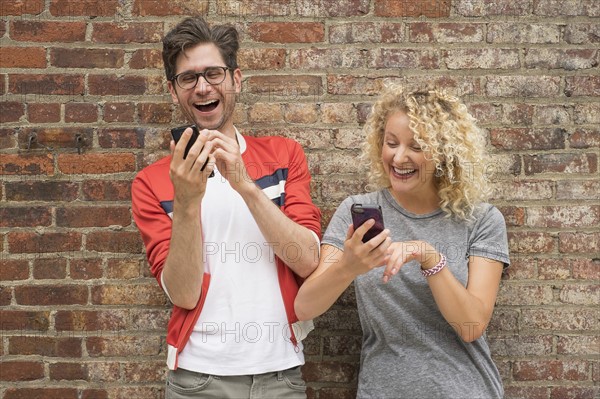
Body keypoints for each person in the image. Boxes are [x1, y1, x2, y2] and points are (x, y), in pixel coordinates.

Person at [131, 17, 321, 398]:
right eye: (188, 78)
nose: (202, 87)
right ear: (173, 91)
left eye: (213, 73)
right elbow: (183, 295)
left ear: (236, 79)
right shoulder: (152, 182)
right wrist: (186, 203)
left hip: (279, 375)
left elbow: (309, 261)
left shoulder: (285, 156)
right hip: (197, 380)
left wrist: (245, 185)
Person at [294, 87, 510, 398]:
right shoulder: (356, 213)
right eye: (391, 143)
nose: (398, 157)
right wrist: (348, 266)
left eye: (416, 147)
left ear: (445, 152)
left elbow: (471, 326)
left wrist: (429, 257)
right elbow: (304, 307)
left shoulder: (482, 220)